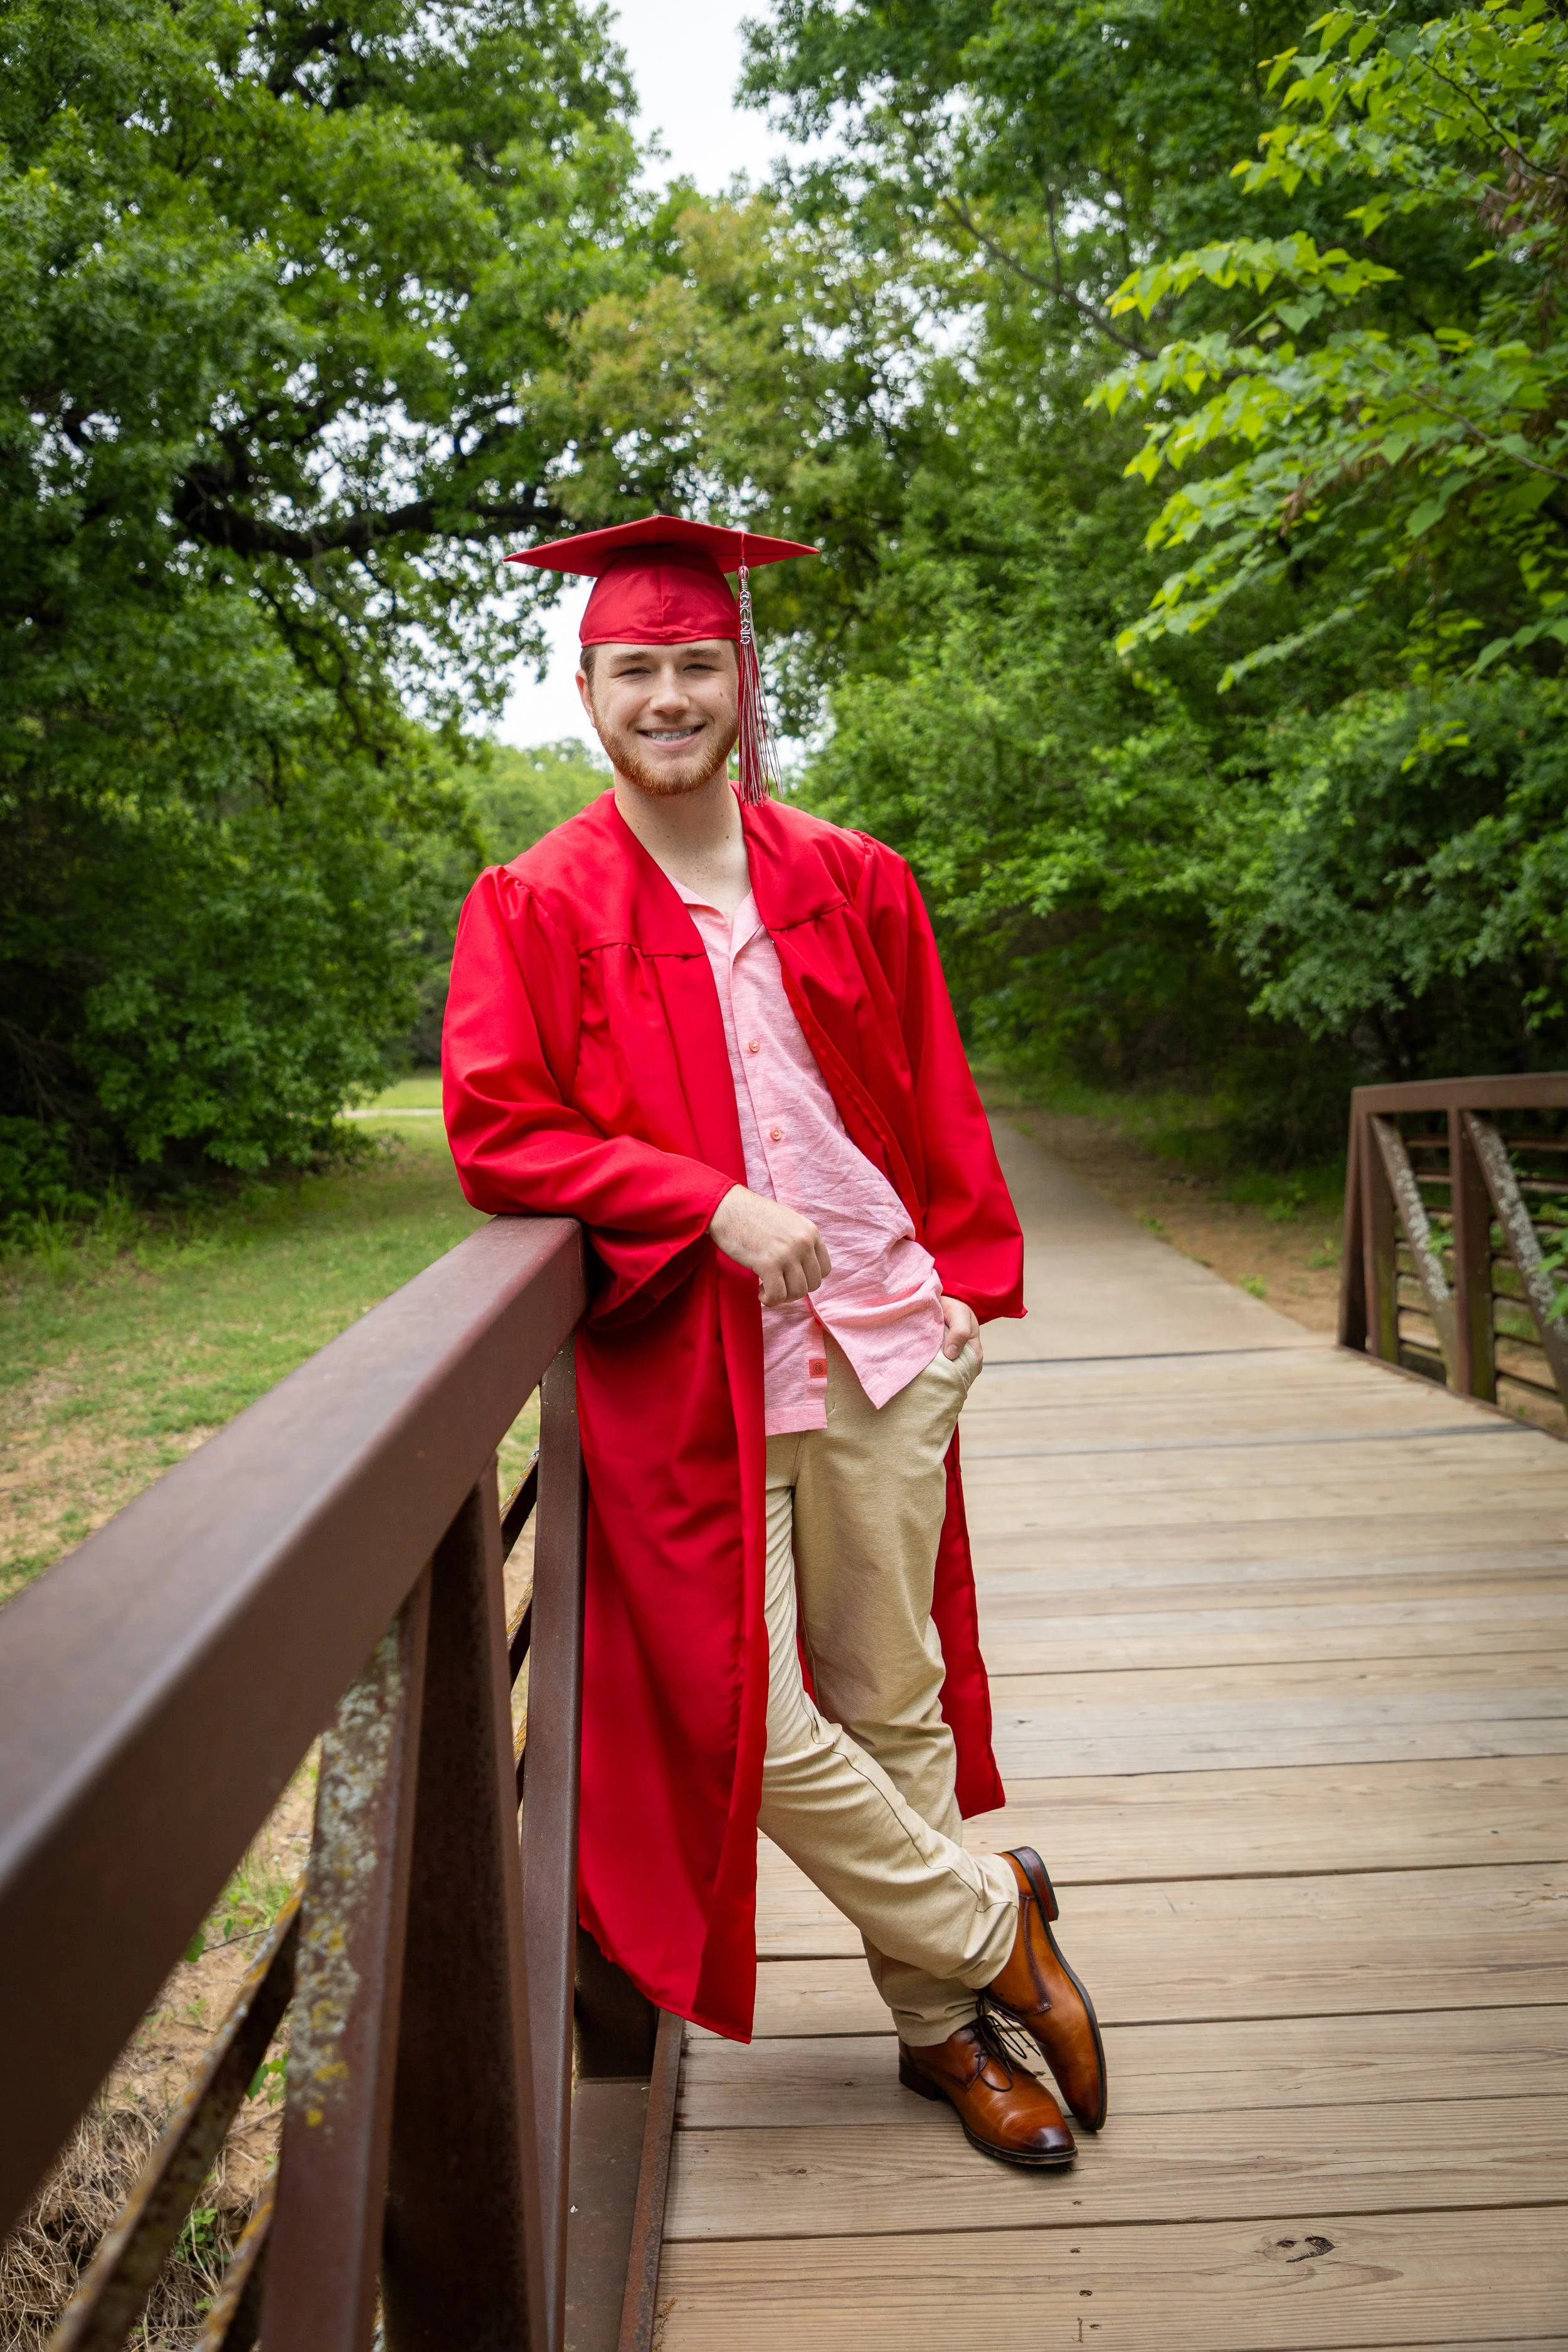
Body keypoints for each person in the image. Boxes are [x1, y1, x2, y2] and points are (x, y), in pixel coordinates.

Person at [442, 515, 1107, 2166]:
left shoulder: (852, 876)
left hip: (884, 1339)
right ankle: (987, 1922)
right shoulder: (533, 902)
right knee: (732, 1701)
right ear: (586, 687)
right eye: (634, 668)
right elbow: (495, 1128)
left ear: (740, 677)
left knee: (894, 1696)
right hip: (693, 1363)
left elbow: (935, 1089)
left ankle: (940, 2032)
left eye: (693, 663)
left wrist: (959, 1287)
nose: (667, 694)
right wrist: (699, 1202)